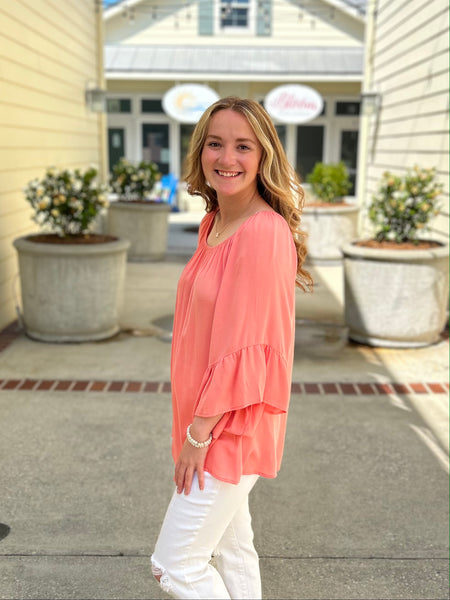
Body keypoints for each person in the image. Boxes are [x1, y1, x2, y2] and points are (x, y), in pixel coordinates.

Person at [151, 96, 312, 599]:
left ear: (263, 156)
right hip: (208, 420)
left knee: (174, 566)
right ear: (200, 151)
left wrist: (198, 436)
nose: (228, 158)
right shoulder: (215, 223)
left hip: (228, 427)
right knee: (231, 549)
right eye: (216, 144)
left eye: (244, 146)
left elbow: (246, 348)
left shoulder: (262, 231)